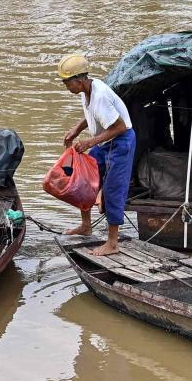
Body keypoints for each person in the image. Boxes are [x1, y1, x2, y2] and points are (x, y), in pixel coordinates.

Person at [56, 54, 135, 257]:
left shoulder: (99, 95)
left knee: (112, 190)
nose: (67, 88)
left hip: (120, 142)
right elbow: (91, 113)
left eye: (68, 83)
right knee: (84, 181)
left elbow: (120, 126)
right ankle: (86, 226)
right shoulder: (87, 91)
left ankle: (112, 243)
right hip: (104, 141)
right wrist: (76, 129)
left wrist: (90, 142)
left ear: (80, 81)